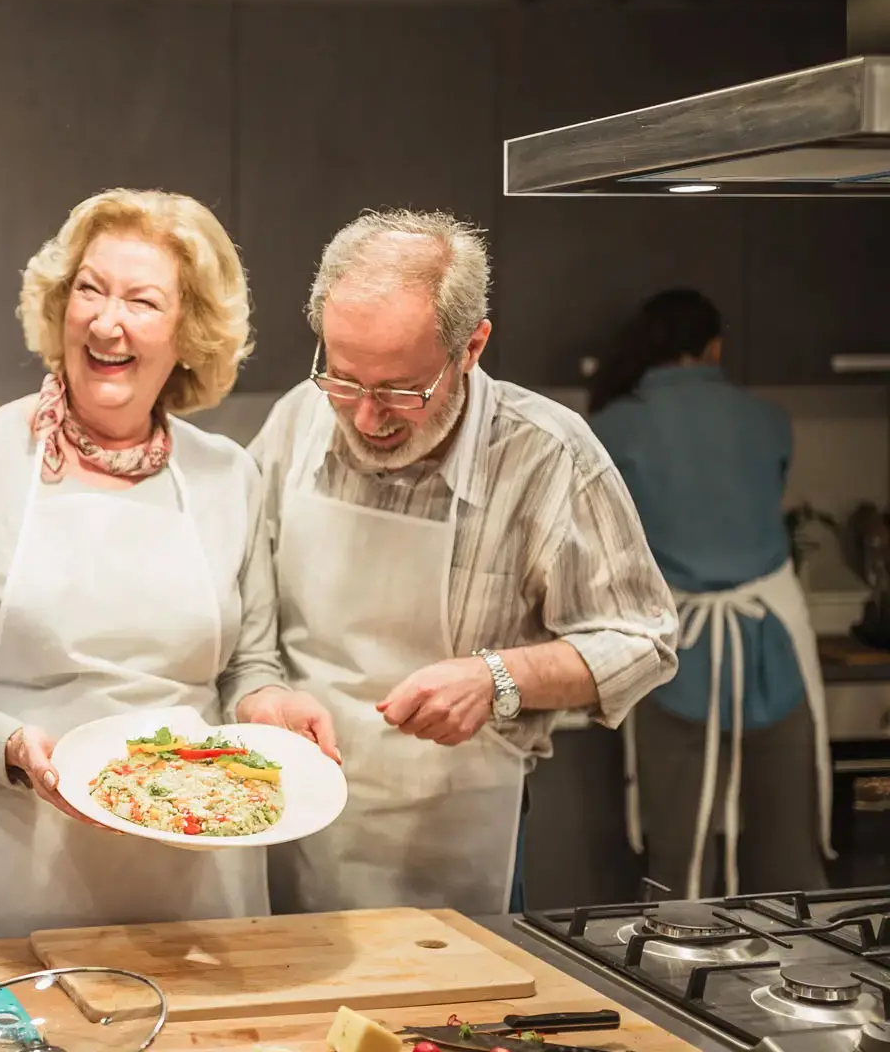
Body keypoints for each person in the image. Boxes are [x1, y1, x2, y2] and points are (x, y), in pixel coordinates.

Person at [0, 188, 340, 945]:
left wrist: (269, 708)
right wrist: (12, 749)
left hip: (193, 872)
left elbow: (247, 665)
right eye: (89, 290)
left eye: (142, 301)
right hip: (7, 864)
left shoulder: (228, 476)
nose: (106, 321)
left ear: (188, 334)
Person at [250, 208, 678, 918]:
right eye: (346, 379)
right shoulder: (297, 421)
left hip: (451, 839)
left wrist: (499, 677)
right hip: (294, 817)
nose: (365, 417)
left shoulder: (546, 454)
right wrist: (261, 688)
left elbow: (644, 641)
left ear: (472, 346)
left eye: (400, 390)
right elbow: (245, 605)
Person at [587, 289, 832, 898]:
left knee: (678, 856)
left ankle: (674, 971)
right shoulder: (768, 419)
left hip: (673, 643)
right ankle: (807, 970)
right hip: (775, 640)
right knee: (786, 850)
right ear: (714, 347)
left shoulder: (611, 426)